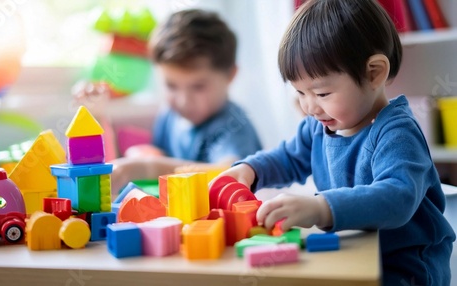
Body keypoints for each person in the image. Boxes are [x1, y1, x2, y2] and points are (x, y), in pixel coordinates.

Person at [213, 0, 455, 284]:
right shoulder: (320, 126)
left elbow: (397, 197)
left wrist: (321, 208)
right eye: (300, 93)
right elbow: (288, 158)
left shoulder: (397, 133)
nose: (309, 107)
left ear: (373, 73)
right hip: (355, 251)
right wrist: (251, 170)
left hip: (404, 265)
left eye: (322, 93)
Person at [110, 9, 262, 194]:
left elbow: (229, 172)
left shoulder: (233, 127)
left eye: (198, 87)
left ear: (230, 75)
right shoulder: (169, 115)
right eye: (171, 86)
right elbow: (164, 157)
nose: (183, 101)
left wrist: (148, 167)